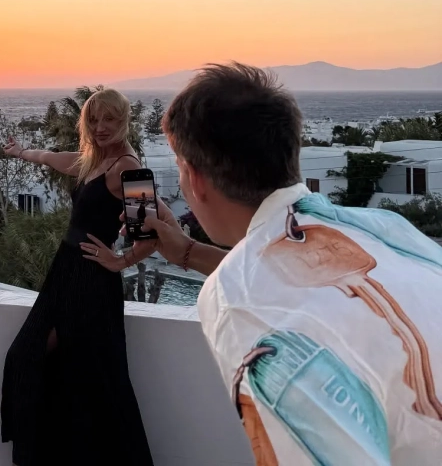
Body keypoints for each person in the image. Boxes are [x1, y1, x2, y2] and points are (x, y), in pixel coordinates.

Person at [139, 63, 442, 465]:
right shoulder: (388, 229)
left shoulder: (240, 300)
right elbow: (301, 278)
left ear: (194, 178)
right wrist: (190, 253)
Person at [0, 88, 156, 466]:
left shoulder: (130, 168)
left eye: (109, 119)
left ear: (124, 121)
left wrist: (119, 261)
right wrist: (22, 152)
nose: (100, 127)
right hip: (65, 273)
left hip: (90, 281)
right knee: (53, 365)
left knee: (87, 374)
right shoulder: (94, 161)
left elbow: (149, 236)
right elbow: (53, 158)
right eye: (94, 119)